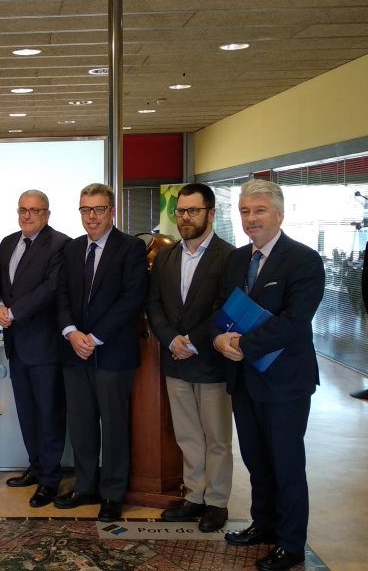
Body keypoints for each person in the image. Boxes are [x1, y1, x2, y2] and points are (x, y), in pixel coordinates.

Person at [213, 178, 324, 571]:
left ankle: (291, 544)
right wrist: (218, 340)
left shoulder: (304, 260)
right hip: (245, 380)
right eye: (244, 211)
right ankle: (263, 524)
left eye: (259, 211)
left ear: (279, 213)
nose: (251, 219)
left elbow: (295, 322)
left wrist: (242, 344)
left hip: (285, 382)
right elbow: (222, 309)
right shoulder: (237, 259)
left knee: (286, 464)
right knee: (257, 460)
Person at [55, 183, 148, 523]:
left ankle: (112, 493)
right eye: (85, 210)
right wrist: (71, 333)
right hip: (74, 352)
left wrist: (94, 336)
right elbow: (61, 295)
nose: (91, 216)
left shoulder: (131, 248)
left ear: (112, 212)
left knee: (114, 426)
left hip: (112, 354)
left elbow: (131, 298)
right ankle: (85, 486)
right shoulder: (71, 249)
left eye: (97, 209)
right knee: (80, 425)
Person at [146, 183, 234, 532]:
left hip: (211, 361)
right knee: (187, 435)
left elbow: (224, 307)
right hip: (175, 360)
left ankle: (217, 501)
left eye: (192, 211)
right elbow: (154, 304)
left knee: (217, 438)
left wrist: (194, 341)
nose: (185, 217)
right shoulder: (166, 256)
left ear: (210, 213)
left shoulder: (229, 257)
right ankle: (194, 496)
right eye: (181, 211)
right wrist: (170, 340)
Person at [0, 189, 70, 508]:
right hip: (16, 344)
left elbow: (50, 289)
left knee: (49, 414)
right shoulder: (8, 242)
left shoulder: (60, 244)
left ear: (47, 215)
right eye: (23, 210)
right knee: (27, 413)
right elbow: (0, 284)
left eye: (34, 211)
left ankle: (51, 480)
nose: (27, 216)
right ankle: (36, 468)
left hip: (44, 345)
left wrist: (13, 312)